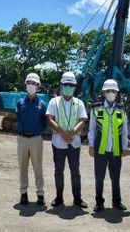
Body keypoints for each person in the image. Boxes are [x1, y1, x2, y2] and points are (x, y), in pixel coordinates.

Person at [46, 72, 88, 208]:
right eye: (66, 85)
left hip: (74, 143)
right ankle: (59, 198)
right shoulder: (54, 101)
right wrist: (63, 133)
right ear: (61, 86)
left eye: (71, 85)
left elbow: (83, 120)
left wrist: (71, 133)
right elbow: (50, 119)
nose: (68, 87)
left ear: (75, 87)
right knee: (59, 171)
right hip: (58, 142)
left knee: (75, 171)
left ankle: (77, 199)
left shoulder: (79, 103)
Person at [88, 79, 129, 212]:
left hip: (116, 149)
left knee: (115, 177)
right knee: (99, 177)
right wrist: (91, 145)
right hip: (100, 148)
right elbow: (92, 129)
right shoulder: (96, 107)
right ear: (104, 92)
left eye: (113, 91)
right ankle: (99, 202)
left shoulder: (122, 109)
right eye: (108, 91)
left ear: (116, 93)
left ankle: (116, 201)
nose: (111, 93)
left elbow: (125, 131)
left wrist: (124, 147)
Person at [16, 73, 47, 206]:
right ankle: (23, 193)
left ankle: (40, 194)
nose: (31, 85)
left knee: (37, 167)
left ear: (38, 86)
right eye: (29, 83)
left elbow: (44, 122)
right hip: (22, 138)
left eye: (34, 83)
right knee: (22, 167)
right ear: (26, 84)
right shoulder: (20, 103)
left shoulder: (42, 104)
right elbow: (18, 119)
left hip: (36, 138)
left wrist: (37, 131)